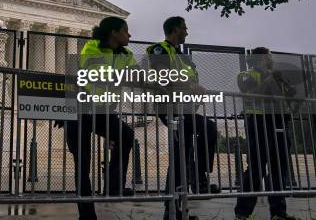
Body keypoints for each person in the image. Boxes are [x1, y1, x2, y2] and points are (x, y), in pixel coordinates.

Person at [146, 16, 219, 220]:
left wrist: (196, 93)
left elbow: (193, 80)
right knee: (179, 157)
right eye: (184, 28)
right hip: (169, 107)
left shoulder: (183, 56)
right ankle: (172, 209)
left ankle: (198, 176)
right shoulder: (159, 49)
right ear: (174, 29)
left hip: (185, 108)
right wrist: (189, 86)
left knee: (209, 130)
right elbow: (163, 74)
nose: (187, 32)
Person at [65, 16, 136, 220]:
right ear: (114, 33)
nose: (129, 34)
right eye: (126, 30)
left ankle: (114, 187)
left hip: (103, 111)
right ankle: (87, 215)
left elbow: (138, 76)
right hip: (81, 110)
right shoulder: (91, 48)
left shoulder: (126, 54)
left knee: (126, 135)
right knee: (83, 165)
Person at [234, 47, 298, 220]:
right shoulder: (246, 75)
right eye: (269, 55)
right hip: (258, 123)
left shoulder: (277, 76)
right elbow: (251, 95)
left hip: (279, 123)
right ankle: (242, 213)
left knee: (279, 168)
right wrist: (270, 78)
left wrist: (286, 84)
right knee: (256, 168)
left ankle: (279, 213)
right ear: (263, 57)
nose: (272, 58)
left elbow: (292, 97)